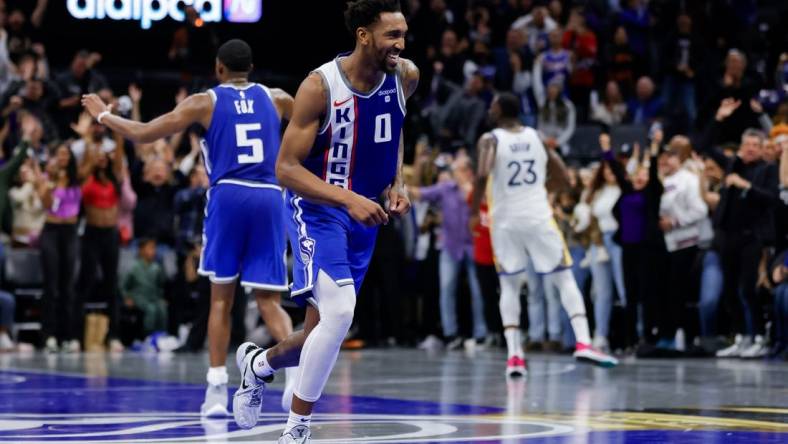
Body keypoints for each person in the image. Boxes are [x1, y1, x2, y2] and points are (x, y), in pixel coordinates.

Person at [231, 1, 418, 442]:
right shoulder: (319, 86)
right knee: (340, 313)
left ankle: (257, 366)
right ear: (363, 35)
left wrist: (399, 183)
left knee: (322, 332)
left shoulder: (405, 76)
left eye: (404, 34)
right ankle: (297, 430)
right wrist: (349, 198)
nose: (401, 44)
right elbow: (286, 168)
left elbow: (395, 129)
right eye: (392, 35)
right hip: (317, 209)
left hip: (364, 214)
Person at [81, 39, 297, 417]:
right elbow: (315, 126)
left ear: (218, 68)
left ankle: (216, 390)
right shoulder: (278, 97)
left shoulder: (206, 101)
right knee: (269, 300)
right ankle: (295, 372)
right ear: (252, 66)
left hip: (229, 196)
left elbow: (147, 132)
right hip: (269, 196)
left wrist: (103, 117)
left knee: (220, 299)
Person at [471, 92, 617, 377]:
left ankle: (515, 356)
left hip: (505, 220)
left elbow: (481, 174)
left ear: (499, 110)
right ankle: (584, 342)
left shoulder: (490, 139)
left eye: (492, 105)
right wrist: (540, 189)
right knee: (564, 278)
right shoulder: (536, 136)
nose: (489, 109)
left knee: (510, 285)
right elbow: (563, 175)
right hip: (538, 215)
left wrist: (475, 212)